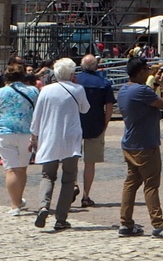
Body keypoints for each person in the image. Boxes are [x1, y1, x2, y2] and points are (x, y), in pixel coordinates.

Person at [117, 57, 163, 238]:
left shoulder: (124, 89)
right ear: (140, 72)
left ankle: (126, 223)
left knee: (131, 183)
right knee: (151, 185)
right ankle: (158, 224)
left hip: (130, 143)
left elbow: (150, 101)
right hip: (145, 144)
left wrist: (156, 83)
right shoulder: (141, 90)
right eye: (146, 69)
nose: (149, 72)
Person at [29, 58, 88, 231]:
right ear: (71, 74)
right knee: (69, 178)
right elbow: (85, 109)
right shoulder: (78, 89)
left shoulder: (46, 90)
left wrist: (33, 137)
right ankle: (61, 218)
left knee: (47, 175)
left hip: (50, 137)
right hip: (70, 139)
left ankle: (43, 206)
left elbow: (37, 116)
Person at [75, 53, 115, 208]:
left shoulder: (75, 80)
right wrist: (105, 123)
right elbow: (109, 106)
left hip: (75, 124)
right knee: (90, 163)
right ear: (96, 66)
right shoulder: (103, 82)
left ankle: (73, 185)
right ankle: (86, 196)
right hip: (96, 124)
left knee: (72, 159)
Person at [0, 60, 38, 215]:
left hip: (5, 131)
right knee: (22, 168)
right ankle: (18, 199)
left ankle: (15, 205)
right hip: (27, 132)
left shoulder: (2, 92)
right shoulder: (33, 91)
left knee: (10, 169)